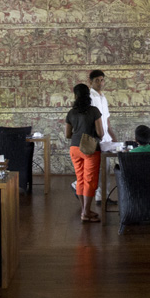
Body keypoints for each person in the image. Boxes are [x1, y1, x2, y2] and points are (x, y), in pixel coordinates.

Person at [65, 83, 104, 222]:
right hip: (90, 148)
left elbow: (67, 134)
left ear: (75, 96)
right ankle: (85, 213)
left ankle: (84, 210)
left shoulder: (71, 112)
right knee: (90, 180)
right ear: (88, 95)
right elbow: (100, 133)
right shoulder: (94, 111)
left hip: (74, 148)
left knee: (80, 179)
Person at [89, 70, 115, 144]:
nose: (100, 83)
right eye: (97, 80)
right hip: (95, 138)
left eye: (102, 80)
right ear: (91, 82)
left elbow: (106, 118)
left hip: (106, 138)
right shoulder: (90, 97)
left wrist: (113, 137)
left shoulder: (103, 98)